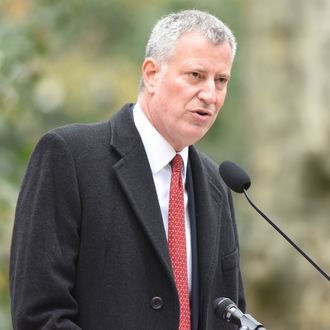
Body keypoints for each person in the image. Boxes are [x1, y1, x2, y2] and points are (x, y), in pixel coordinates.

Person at [10, 9, 245, 330]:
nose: (210, 94)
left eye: (221, 80)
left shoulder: (217, 183)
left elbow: (231, 316)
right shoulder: (70, 156)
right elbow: (39, 316)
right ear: (151, 74)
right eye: (195, 75)